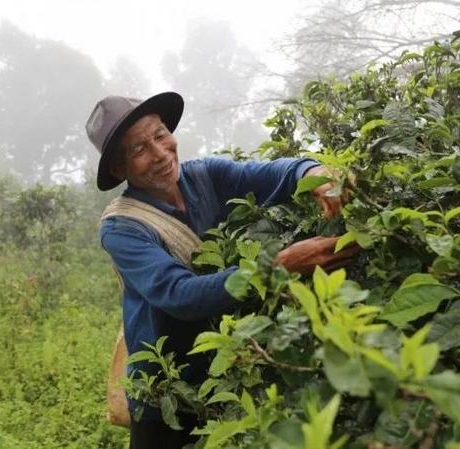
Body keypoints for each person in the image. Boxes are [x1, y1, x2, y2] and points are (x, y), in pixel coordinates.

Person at [85, 92, 358, 449]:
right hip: (165, 393)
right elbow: (181, 295)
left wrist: (314, 172)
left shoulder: (205, 177)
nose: (160, 153)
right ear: (120, 170)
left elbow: (273, 174)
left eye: (160, 134)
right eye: (138, 150)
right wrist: (278, 267)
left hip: (225, 374)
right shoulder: (123, 228)